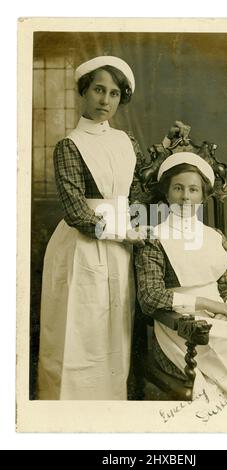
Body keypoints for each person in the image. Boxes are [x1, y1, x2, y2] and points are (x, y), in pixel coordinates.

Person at [38, 56, 152, 400]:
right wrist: (125, 233)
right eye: (99, 90)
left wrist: (139, 226)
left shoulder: (125, 142)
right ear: (83, 92)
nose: (105, 100)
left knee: (113, 331)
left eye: (114, 94)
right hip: (81, 250)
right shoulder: (69, 146)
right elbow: (76, 212)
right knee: (79, 330)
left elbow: (136, 197)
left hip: (120, 250)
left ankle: (109, 411)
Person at [135, 151, 227, 401]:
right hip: (181, 326)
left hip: (220, 317)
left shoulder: (214, 236)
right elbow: (149, 297)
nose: (185, 197)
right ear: (167, 192)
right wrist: (205, 304)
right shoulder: (152, 236)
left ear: (203, 196)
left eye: (193, 190)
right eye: (178, 188)